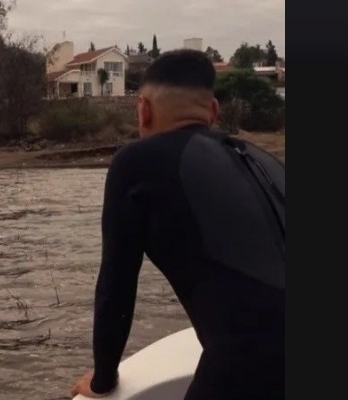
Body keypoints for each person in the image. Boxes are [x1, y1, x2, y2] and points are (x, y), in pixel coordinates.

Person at [71, 49, 285, 400]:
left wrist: (102, 381)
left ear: (144, 109)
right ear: (213, 112)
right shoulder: (265, 161)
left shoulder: (135, 163)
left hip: (251, 360)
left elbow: (116, 286)